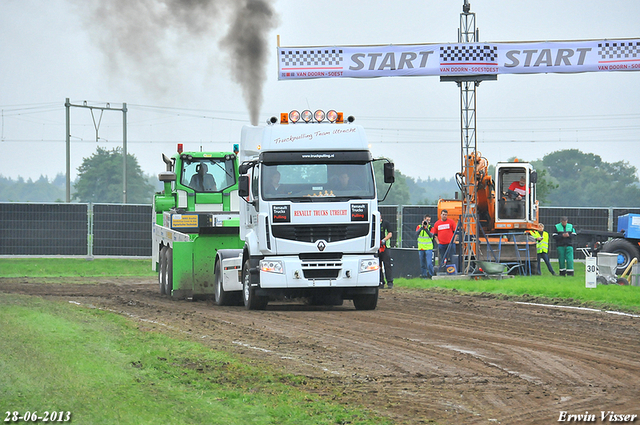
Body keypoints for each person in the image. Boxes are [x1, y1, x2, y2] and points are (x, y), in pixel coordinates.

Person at [415, 215, 435, 279]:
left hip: (428, 247)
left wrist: (426, 228)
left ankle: (431, 275)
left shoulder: (431, 228)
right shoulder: (418, 227)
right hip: (421, 247)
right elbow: (416, 234)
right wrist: (422, 227)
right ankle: (424, 276)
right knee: (422, 263)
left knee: (429, 263)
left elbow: (431, 235)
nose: (428, 222)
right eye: (427, 220)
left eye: (429, 220)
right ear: (424, 220)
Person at [379, 216, 394, 289]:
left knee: (387, 264)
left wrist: (383, 240)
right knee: (378, 266)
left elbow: (390, 234)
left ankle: (390, 282)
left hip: (385, 247)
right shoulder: (373, 224)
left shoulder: (386, 223)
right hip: (376, 247)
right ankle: (381, 282)